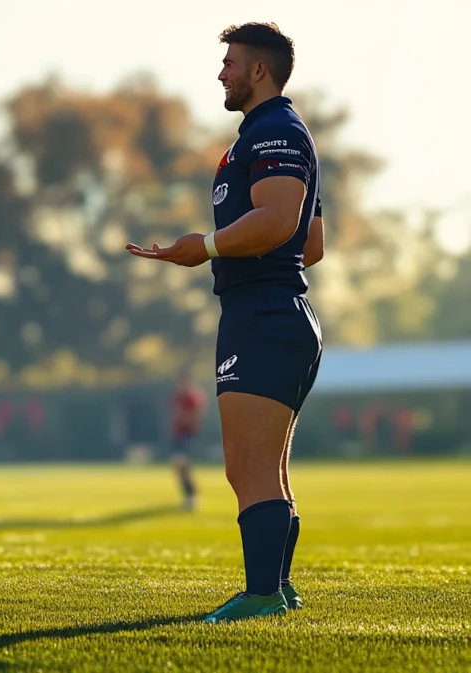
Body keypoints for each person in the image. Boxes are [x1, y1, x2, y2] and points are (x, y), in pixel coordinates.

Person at [127, 23, 323, 623]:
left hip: (265, 316)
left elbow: (278, 223)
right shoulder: (268, 135)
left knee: (248, 466)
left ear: (259, 70)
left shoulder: (274, 131)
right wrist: (229, 247)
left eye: (231, 63)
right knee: (265, 466)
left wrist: (205, 246)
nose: (222, 73)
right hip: (270, 313)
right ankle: (277, 590)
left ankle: (262, 594)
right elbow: (309, 242)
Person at [169, 372, 206, 511]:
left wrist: (182, 417)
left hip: (188, 435)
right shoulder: (176, 398)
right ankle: (188, 495)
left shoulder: (192, 398)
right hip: (178, 436)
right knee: (179, 466)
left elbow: (196, 418)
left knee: (182, 463)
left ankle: (192, 497)